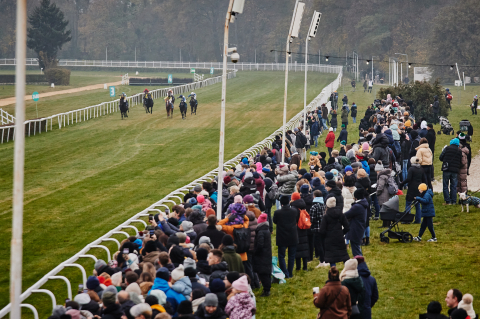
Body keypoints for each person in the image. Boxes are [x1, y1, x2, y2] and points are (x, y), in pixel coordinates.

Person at [273, 195, 299, 278]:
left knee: (281, 256)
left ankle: (285, 272)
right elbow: (297, 219)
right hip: (292, 235)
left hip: (282, 236)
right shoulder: (294, 211)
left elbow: (275, 221)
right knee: (291, 255)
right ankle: (290, 272)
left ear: (281, 203)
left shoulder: (277, 212)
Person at [319, 197, 350, 267]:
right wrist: (342, 233)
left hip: (329, 239)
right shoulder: (341, 214)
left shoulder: (326, 216)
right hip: (339, 237)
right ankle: (348, 269)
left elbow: (322, 230)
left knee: (331, 258)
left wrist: (325, 236)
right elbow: (347, 227)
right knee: (344, 255)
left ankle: (334, 273)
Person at [399, 157, 425, 224]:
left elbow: (408, 179)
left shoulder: (411, 169)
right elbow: (424, 179)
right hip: (419, 188)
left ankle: (407, 219)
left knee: (408, 203)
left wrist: (402, 183)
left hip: (412, 188)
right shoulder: (421, 169)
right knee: (417, 204)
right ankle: (418, 220)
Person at [439, 138, 463, 205]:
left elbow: (441, 157)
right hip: (455, 170)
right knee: (453, 186)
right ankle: (454, 201)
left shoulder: (447, 148)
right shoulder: (459, 151)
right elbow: (460, 161)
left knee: (445, 185)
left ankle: (448, 201)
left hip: (446, 169)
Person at [253, 213, 272, 296]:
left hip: (262, 255)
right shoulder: (266, 230)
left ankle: (266, 290)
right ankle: (267, 288)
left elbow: (260, 244)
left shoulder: (261, 232)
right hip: (267, 254)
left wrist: (255, 251)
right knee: (266, 272)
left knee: (263, 273)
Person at [344, 190, 368, 257]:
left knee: (356, 251)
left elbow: (347, 214)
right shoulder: (362, 204)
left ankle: (361, 265)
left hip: (355, 229)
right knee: (357, 248)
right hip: (359, 228)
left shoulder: (357, 206)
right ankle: (360, 264)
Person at [290, 192, 309, 272]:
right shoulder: (303, 205)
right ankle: (305, 266)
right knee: (304, 248)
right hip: (303, 229)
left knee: (298, 249)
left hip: (297, 229)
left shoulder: (294, 208)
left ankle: (298, 267)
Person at [310, 190, 328, 268]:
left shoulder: (314, 206)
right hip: (324, 227)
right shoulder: (324, 205)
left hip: (316, 228)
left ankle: (322, 260)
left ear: (314, 196)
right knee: (324, 243)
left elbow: (312, 218)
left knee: (318, 245)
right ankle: (326, 259)